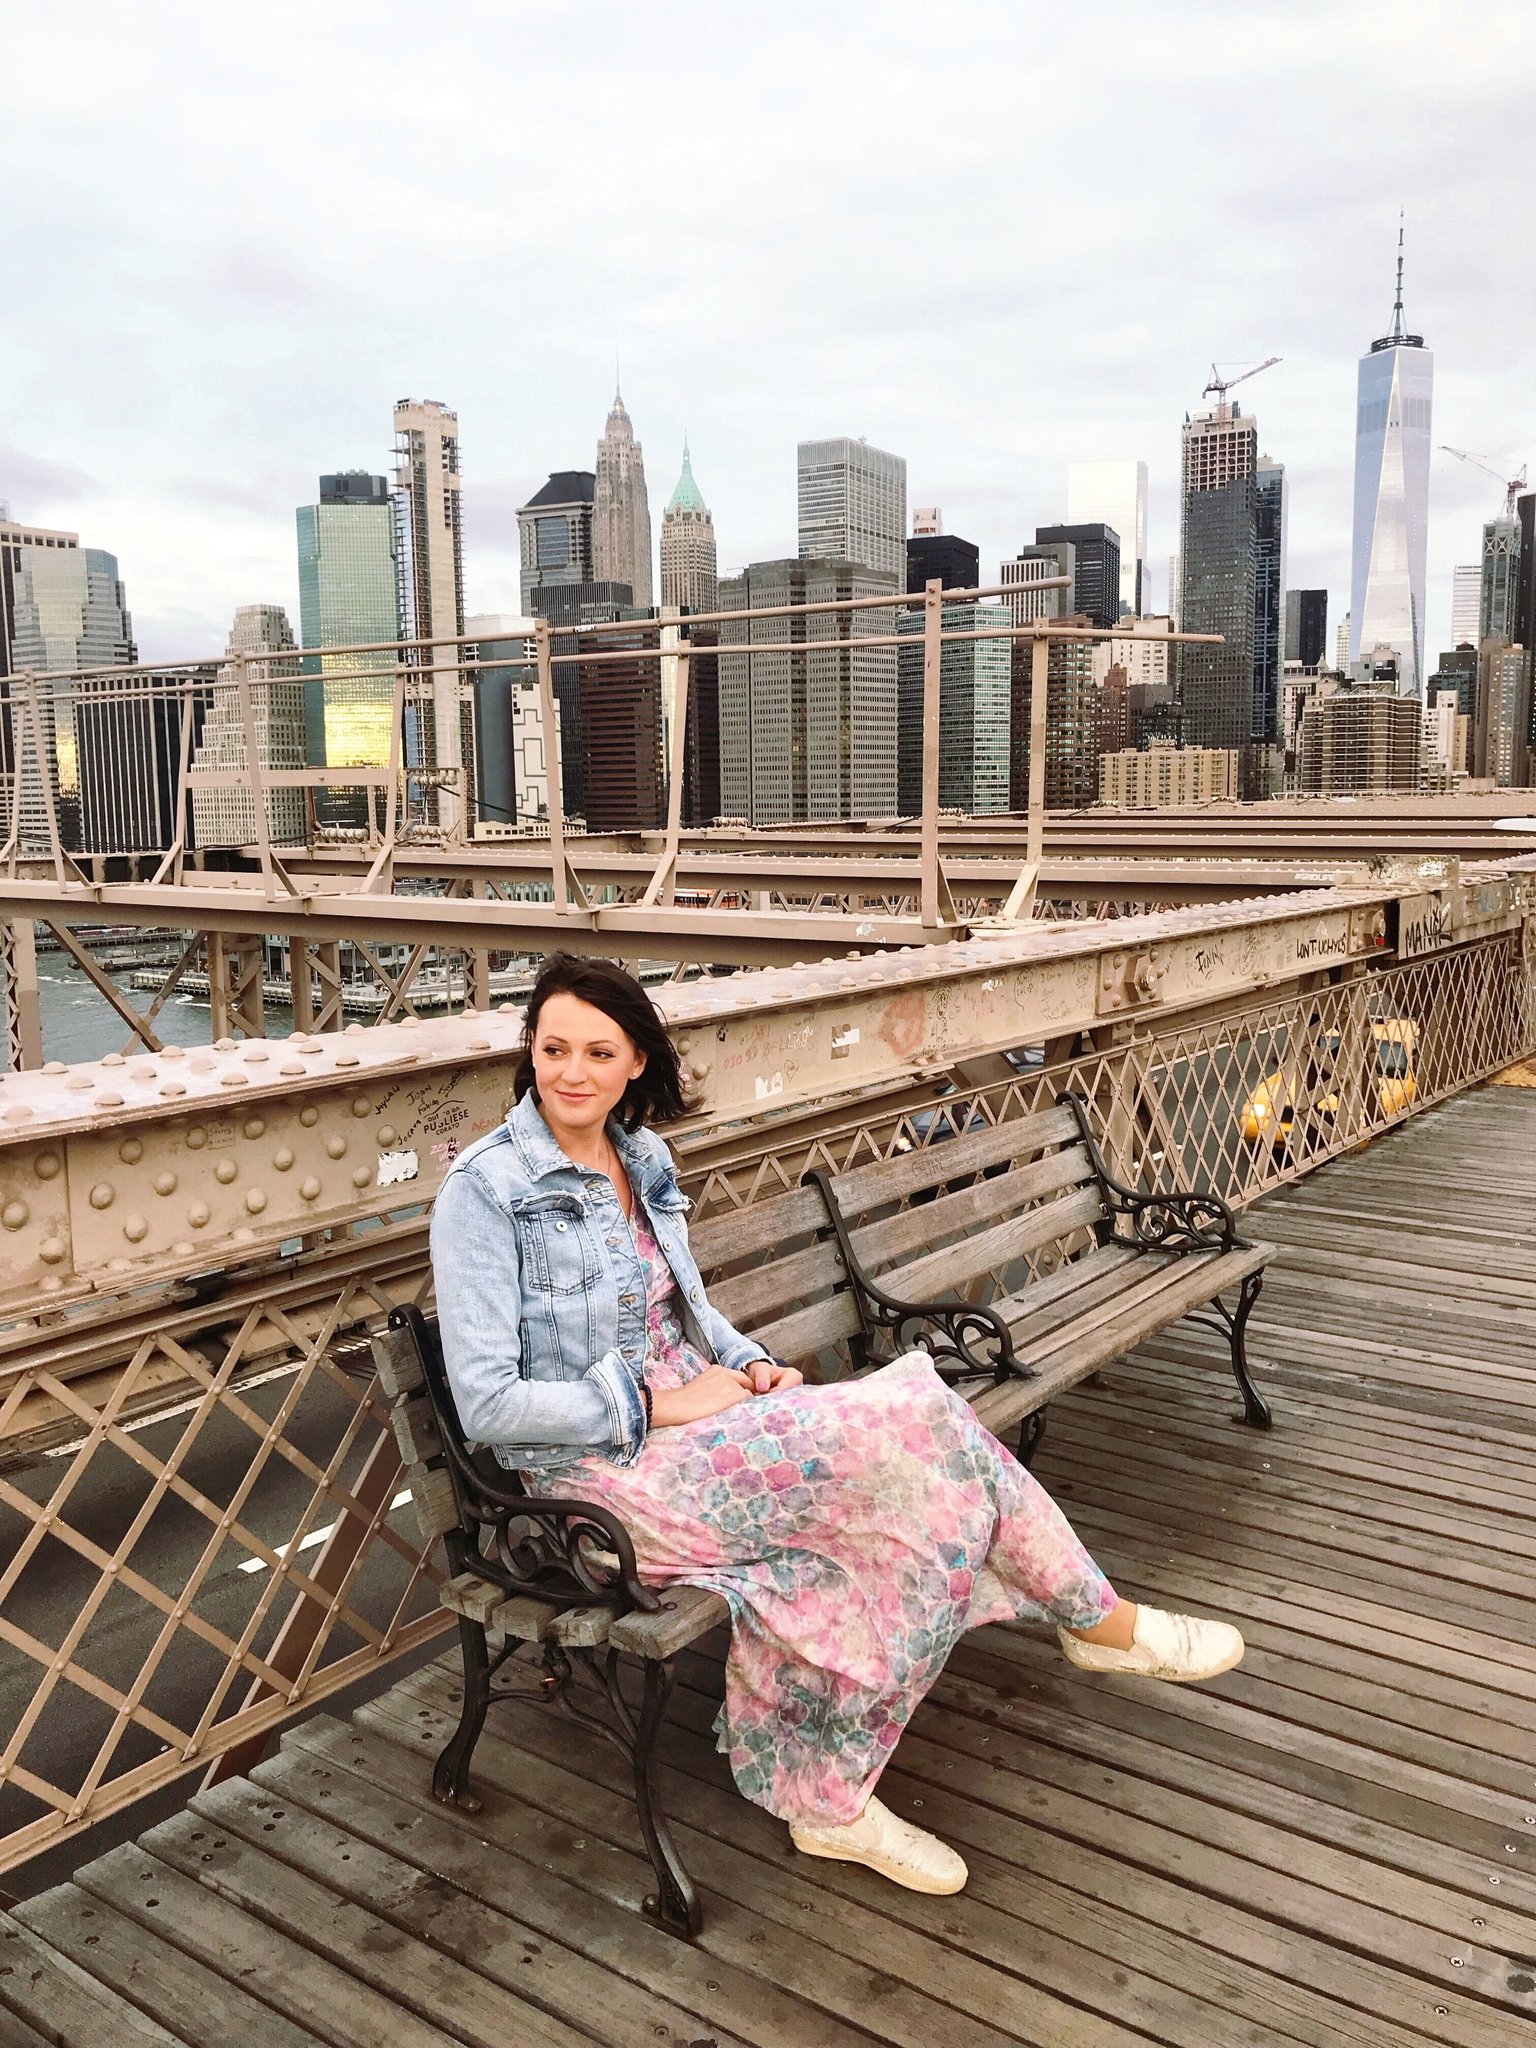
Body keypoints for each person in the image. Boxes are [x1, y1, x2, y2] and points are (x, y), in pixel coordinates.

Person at [430, 954, 1244, 1898]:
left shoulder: (640, 1159)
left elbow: (686, 1311)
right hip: (597, 1481)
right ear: (528, 1052)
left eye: (597, 1052)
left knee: (921, 1469)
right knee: (917, 1431)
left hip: (706, 1430)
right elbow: (489, 1406)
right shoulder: (484, 1192)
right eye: (552, 1047)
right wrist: (662, 1402)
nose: (570, 1072)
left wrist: (743, 1362)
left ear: (638, 1064)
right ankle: (1093, 1624)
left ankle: (834, 1792)